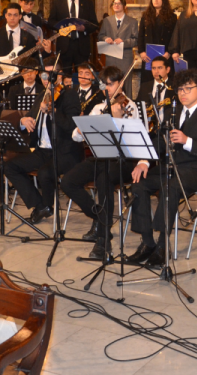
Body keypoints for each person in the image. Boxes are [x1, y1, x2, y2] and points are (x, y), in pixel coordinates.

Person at [126, 69, 197, 266]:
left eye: (188, 89)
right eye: (180, 89)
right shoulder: (173, 112)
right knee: (138, 183)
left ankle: (163, 245)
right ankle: (147, 242)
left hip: (196, 170)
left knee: (169, 187)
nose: (182, 93)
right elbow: (160, 142)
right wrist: (143, 162)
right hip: (171, 167)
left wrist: (187, 141)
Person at [60, 66, 142, 260]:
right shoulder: (98, 107)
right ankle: (99, 217)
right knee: (68, 182)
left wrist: (117, 118)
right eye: (104, 84)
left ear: (121, 83)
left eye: (111, 84)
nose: (107, 89)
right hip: (100, 156)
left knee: (104, 179)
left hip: (123, 161)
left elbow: (132, 140)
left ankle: (103, 242)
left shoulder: (130, 106)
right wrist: (80, 131)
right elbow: (76, 136)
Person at [2, 59, 83, 223]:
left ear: (59, 76)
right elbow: (29, 117)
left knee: (45, 172)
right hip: (42, 151)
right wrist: (23, 122)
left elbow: (71, 126)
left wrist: (53, 112)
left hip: (66, 152)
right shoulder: (41, 96)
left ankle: (46, 205)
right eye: (45, 75)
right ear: (40, 76)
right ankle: (40, 206)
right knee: (9, 166)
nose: (48, 79)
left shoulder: (70, 95)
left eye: (52, 75)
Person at [49, 0, 98, 69]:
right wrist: (62, 25)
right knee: (64, 74)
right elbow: (51, 22)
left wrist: (83, 28)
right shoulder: (57, 3)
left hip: (82, 45)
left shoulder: (87, 3)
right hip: (64, 46)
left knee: (82, 74)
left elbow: (94, 24)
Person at [0, 2, 37, 77]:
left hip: (20, 77)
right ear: (5, 16)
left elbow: (35, 57)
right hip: (1, 74)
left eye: (15, 15)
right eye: (9, 15)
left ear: (20, 16)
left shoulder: (28, 36)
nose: (12, 18)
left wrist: (47, 51)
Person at [98, 0, 138, 96]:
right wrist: (105, 38)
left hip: (125, 58)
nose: (116, 5)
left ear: (124, 7)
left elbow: (136, 40)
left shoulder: (132, 21)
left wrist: (123, 42)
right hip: (111, 58)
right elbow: (100, 36)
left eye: (119, 3)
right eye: (114, 3)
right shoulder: (107, 20)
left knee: (126, 85)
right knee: (110, 83)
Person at [138, 0, 177, 85]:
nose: (156, 0)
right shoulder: (146, 16)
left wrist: (169, 52)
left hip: (165, 54)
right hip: (148, 56)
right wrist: (142, 52)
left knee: (164, 81)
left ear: (164, 0)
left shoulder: (172, 17)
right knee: (148, 82)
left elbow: (174, 36)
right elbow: (141, 35)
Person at [136, 55, 173, 127]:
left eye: (160, 68)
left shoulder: (174, 87)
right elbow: (139, 106)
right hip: (148, 128)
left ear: (168, 70)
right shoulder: (144, 86)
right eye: (153, 68)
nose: (156, 71)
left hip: (167, 127)